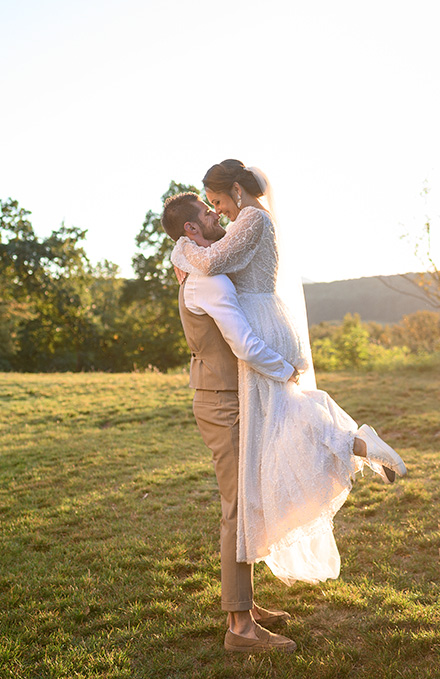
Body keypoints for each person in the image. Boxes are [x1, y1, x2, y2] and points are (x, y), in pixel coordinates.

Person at [170, 160, 407, 589]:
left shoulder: (252, 219)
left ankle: (356, 443)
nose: (218, 211)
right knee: (284, 420)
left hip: (261, 325)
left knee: (283, 420)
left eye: (218, 201)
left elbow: (213, 260)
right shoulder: (252, 218)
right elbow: (216, 258)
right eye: (211, 208)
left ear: (237, 191)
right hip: (267, 321)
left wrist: (180, 249)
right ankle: (356, 442)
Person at [161, 193, 299, 653]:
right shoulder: (210, 282)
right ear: (192, 232)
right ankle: (240, 628)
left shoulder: (198, 264)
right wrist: (286, 369)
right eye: (206, 212)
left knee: (249, 500)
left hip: (231, 397)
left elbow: (181, 248)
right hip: (223, 402)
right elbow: (241, 343)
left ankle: (248, 604)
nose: (215, 213)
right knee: (237, 509)